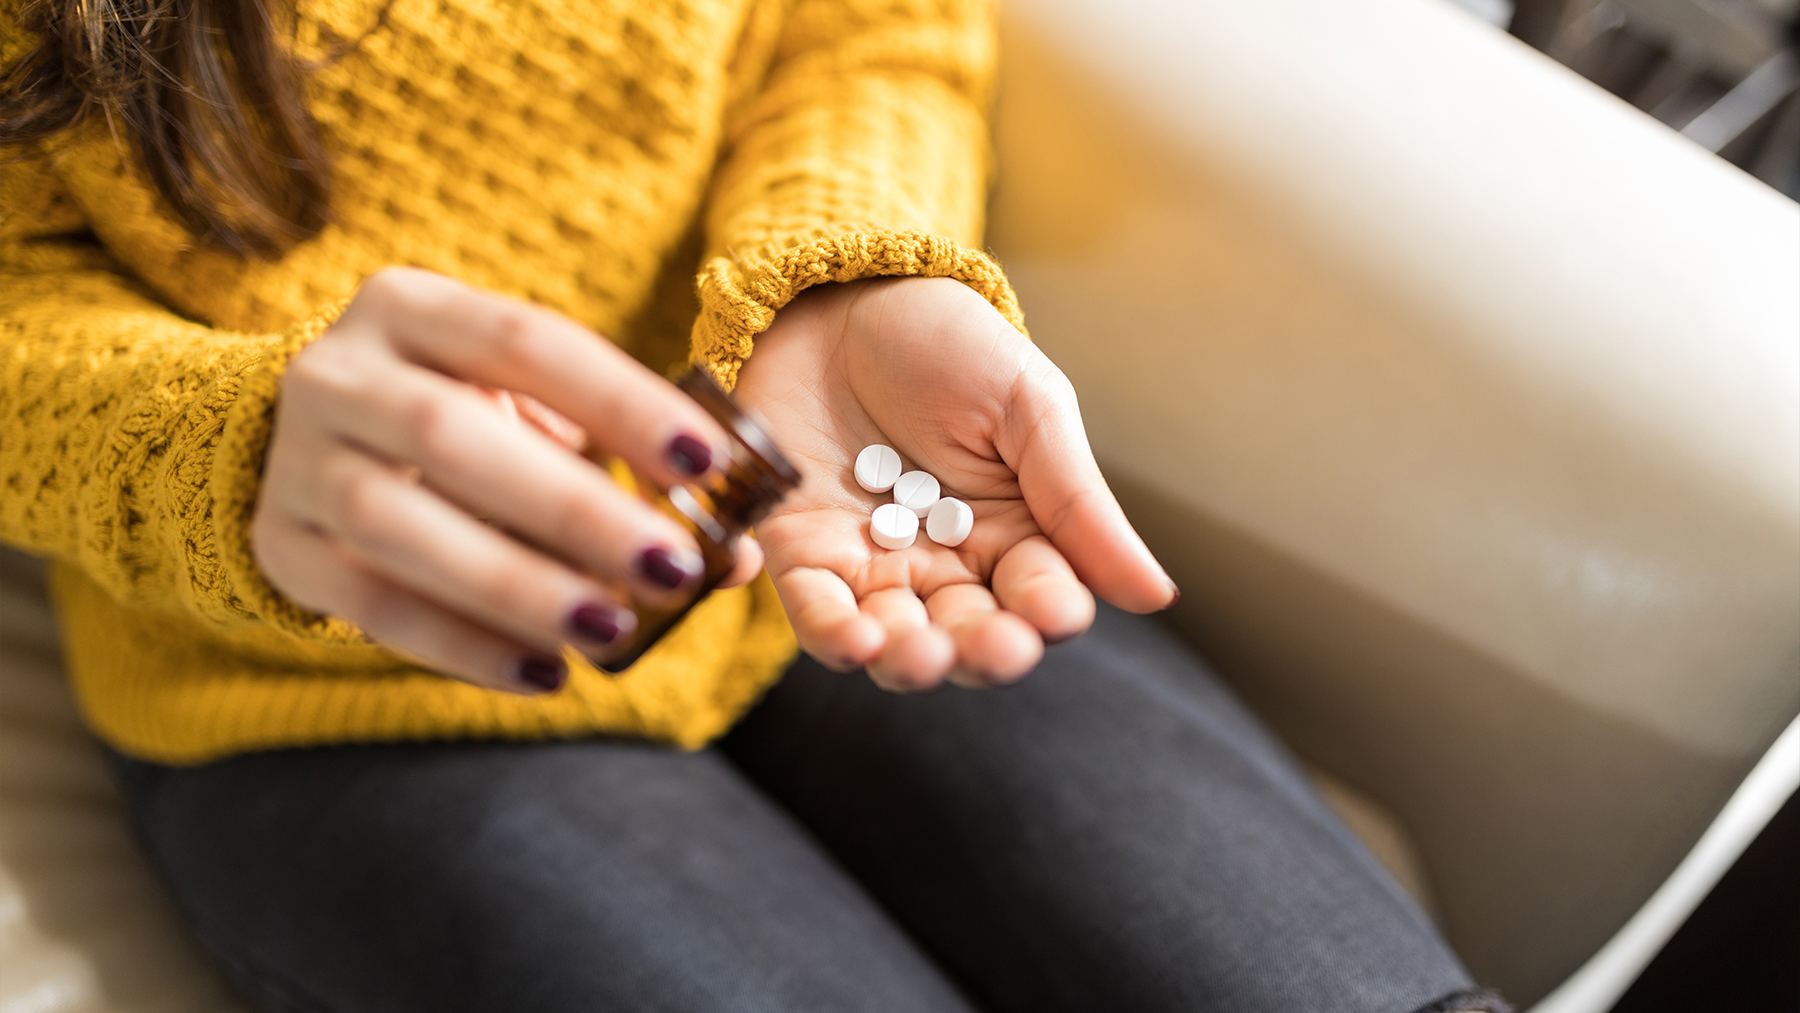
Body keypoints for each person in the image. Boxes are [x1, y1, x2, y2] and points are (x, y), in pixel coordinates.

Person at [0, 1, 1509, 1010]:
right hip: (332, 690)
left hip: (825, 523)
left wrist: (839, 273)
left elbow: (858, 25)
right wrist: (233, 454)